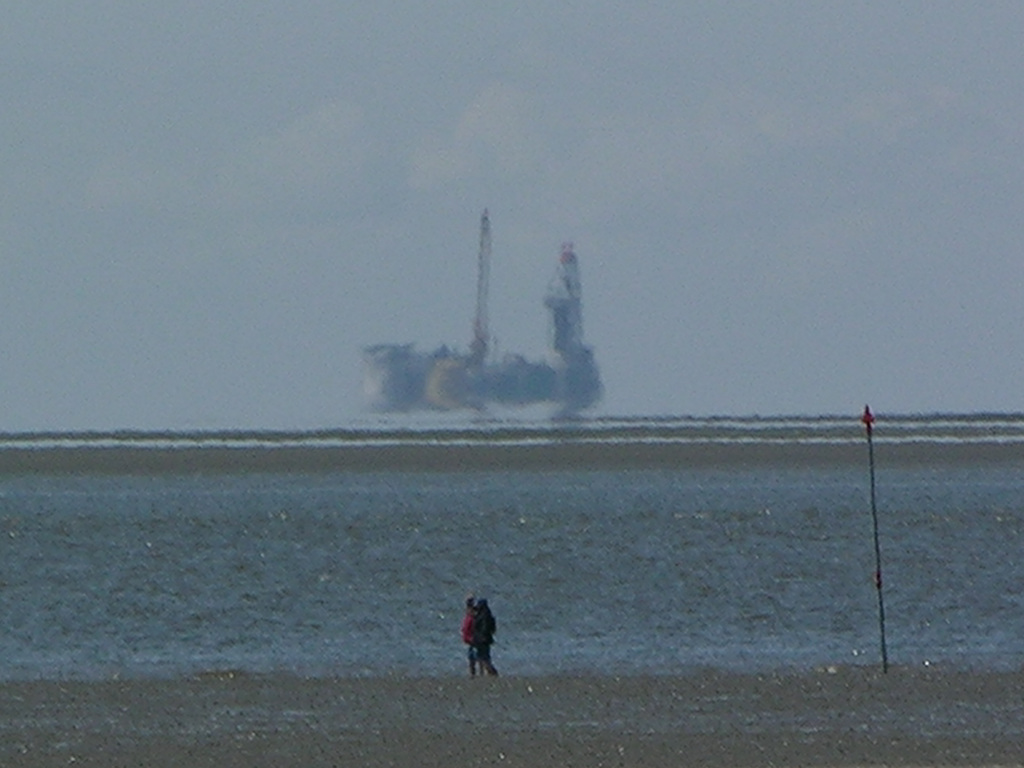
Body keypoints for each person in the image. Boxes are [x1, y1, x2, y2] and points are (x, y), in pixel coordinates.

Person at [472, 598, 498, 676]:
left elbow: (484, 628)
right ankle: (484, 672)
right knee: (483, 657)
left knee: (483, 657)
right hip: (484, 639)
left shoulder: (483, 616)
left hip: (482, 640)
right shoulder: (487, 615)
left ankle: (490, 672)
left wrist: (481, 637)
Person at [460, 595, 478, 676]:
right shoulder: (469, 615)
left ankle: (476, 673)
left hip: (473, 638)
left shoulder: (473, 614)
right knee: (471, 658)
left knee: (477, 657)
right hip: (470, 638)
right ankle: (472, 673)